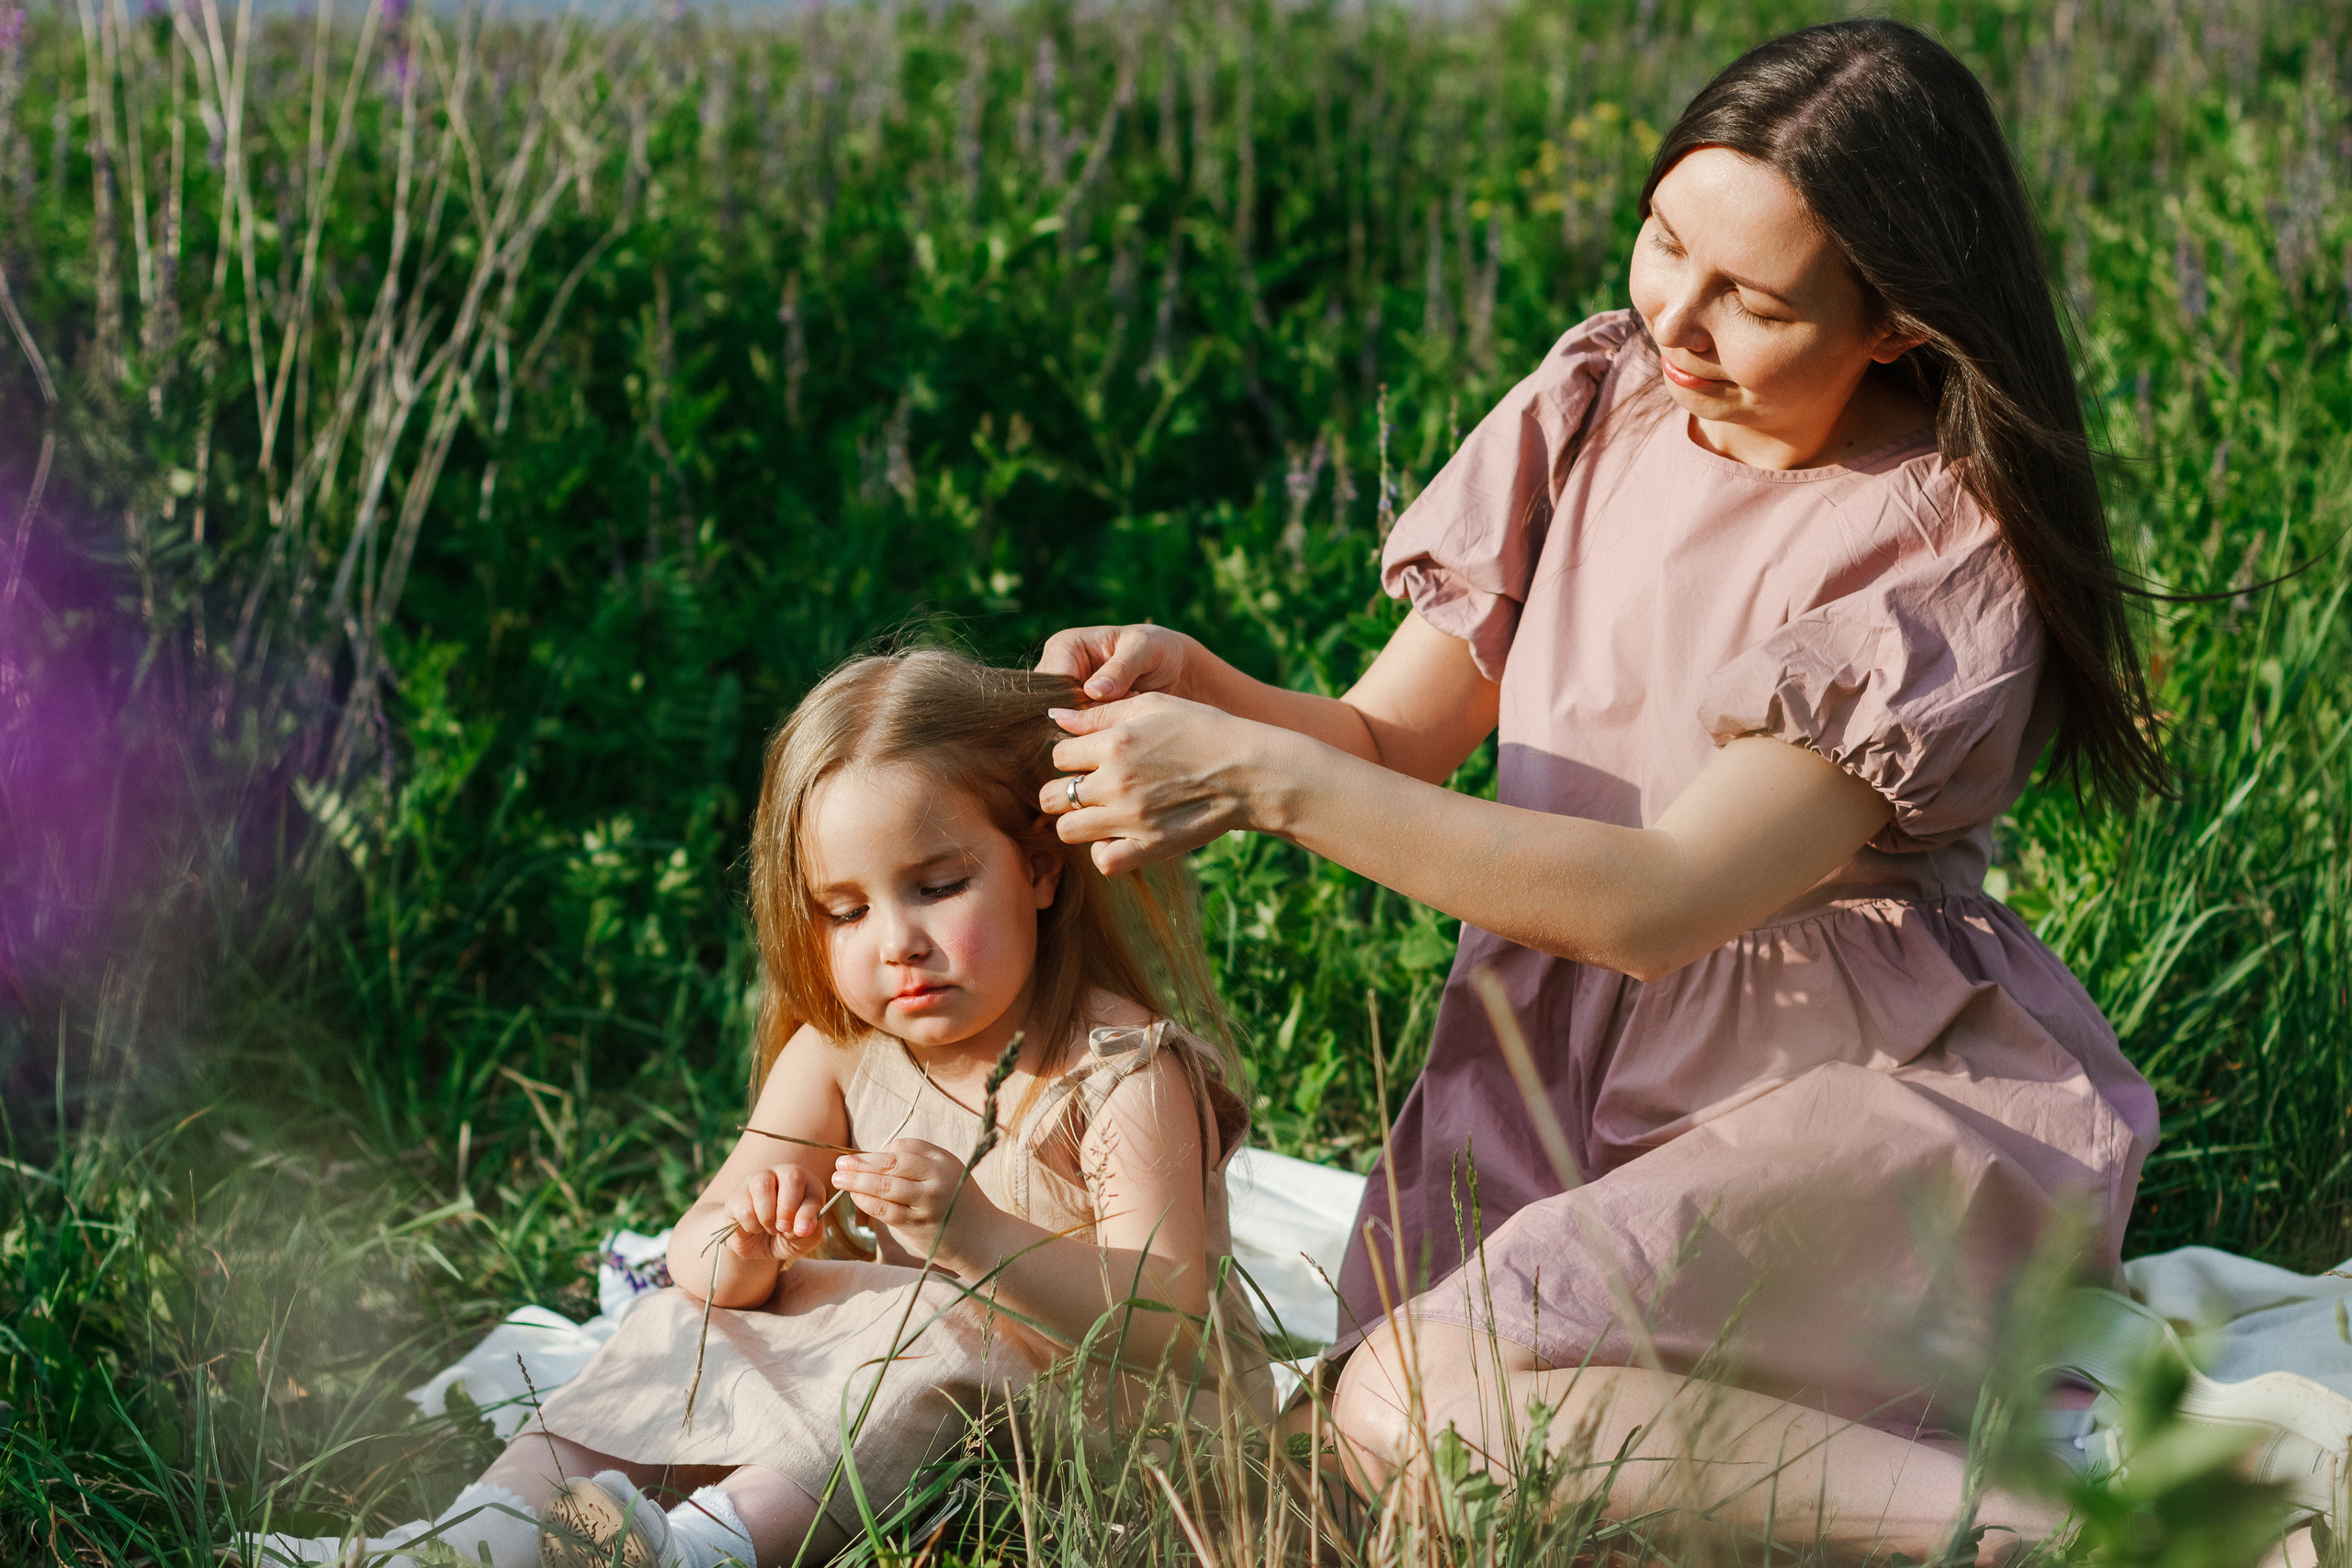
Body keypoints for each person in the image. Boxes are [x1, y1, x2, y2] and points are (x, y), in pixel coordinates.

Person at [1035, 19, 2173, 1559]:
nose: (1676, 320)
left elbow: (1660, 905)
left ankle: (2068, 1532)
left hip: (1839, 1093)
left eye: (1751, 301)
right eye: (1661, 240)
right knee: (1420, 1451)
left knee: (1415, 1407)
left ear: (1898, 321)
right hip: (1549, 1068)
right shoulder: (1597, 402)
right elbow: (1387, 740)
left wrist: (1261, 779)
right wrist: (1217, 693)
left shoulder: (1934, 543)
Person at [333, 649, 1268, 1568]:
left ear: (1038, 868)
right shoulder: (837, 1054)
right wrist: (739, 1245)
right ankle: (471, 1536)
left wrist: (974, 1232)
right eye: (844, 911)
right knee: (680, 1322)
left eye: (938, 887)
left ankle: (704, 1549)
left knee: (928, 1331)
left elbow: (1168, 1322)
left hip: (1126, 1434)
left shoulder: (1119, 1071)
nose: (897, 943)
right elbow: (696, 1248)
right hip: (939, 1407)